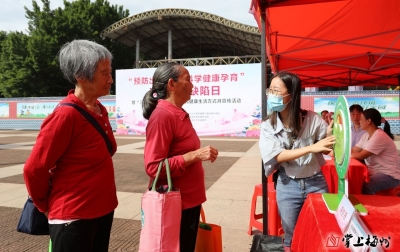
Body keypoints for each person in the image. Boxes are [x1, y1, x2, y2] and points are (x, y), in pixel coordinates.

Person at [23, 40, 118, 252]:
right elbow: (34, 168)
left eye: (110, 72)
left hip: (102, 210)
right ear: (81, 76)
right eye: (104, 73)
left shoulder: (99, 110)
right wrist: (44, 206)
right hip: (73, 217)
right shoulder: (65, 116)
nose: (110, 79)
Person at [142, 62, 219, 251]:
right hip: (175, 205)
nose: (192, 85)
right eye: (188, 80)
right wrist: (194, 155)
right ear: (172, 84)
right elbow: (153, 167)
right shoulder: (162, 116)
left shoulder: (179, 113)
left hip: (188, 201)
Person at [259, 72, 335, 251]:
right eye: (270, 90)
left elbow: (328, 147)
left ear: (291, 95)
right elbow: (276, 156)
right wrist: (311, 148)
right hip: (287, 185)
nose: (271, 95)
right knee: (291, 235)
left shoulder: (312, 119)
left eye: (276, 91)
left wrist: (332, 136)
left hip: (316, 182)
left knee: (320, 230)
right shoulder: (267, 126)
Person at [351, 108, 400, 194]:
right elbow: (353, 150)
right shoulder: (366, 136)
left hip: (390, 175)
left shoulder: (379, 136)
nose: (359, 121)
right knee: (355, 181)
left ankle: (369, 207)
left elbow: (361, 155)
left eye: (361, 118)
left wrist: (343, 155)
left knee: (365, 186)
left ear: (368, 121)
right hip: (375, 173)